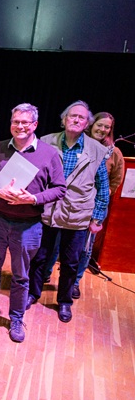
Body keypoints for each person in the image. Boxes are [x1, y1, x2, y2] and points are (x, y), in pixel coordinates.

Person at [0, 103, 66, 342]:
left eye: (24, 122)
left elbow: (60, 188)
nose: (19, 126)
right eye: (15, 122)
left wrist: (33, 198)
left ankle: (16, 318)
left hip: (29, 224)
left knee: (21, 275)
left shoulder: (48, 154)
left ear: (34, 125)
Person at [27, 101, 109, 323]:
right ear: (64, 119)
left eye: (81, 118)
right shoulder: (45, 142)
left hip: (78, 215)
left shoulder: (97, 150)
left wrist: (98, 217)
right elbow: (34, 175)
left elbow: (103, 187)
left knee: (71, 262)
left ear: (86, 124)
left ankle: (64, 301)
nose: (76, 120)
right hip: (47, 211)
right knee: (40, 257)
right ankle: (33, 293)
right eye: (72, 116)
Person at [73, 111, 124, 298]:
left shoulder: (114, 152)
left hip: (95, 206)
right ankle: (46, 274)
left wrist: (97, 196)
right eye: (99, 125)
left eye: (107, 127)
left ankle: (75, 282)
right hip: (72, 204)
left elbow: (115, 182)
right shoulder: (79, 143)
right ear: (91, 125)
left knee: (85, 247)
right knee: (58, 243)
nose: (102, 129)